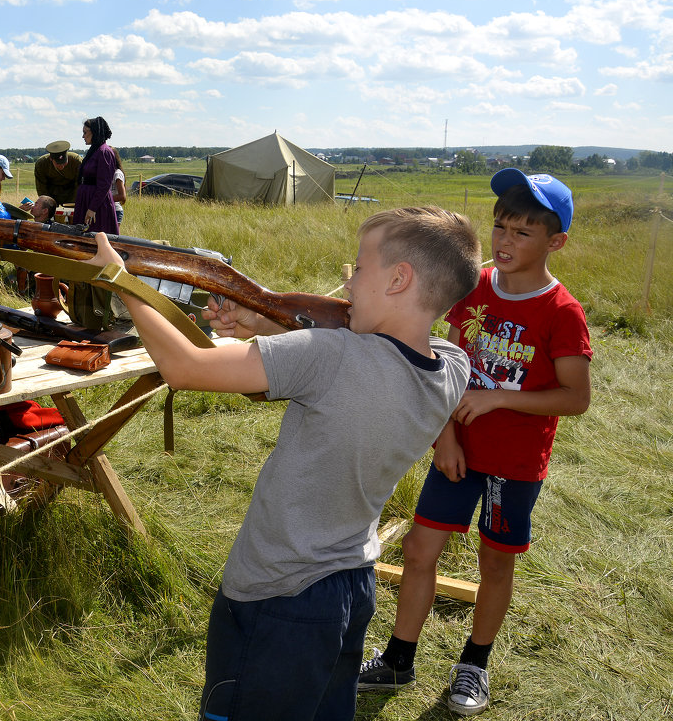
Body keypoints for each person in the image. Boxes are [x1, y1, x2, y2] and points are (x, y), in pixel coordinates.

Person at [87, 206, 481, 721]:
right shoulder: (452, 368)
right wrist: (259, 317)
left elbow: (184, 367)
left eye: (359, 269)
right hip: (351, 583)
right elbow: (376, 344)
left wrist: (121, 281)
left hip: (277, 595)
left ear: (398, 278)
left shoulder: (328, 356)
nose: (348, 285)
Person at [357, 171, 592, 716]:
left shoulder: (561, 312)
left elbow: (574, 397)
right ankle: (398, 659)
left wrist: (498, 400)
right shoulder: (475, 288)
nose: (506, 243)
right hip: (457, 453)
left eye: (524, 234)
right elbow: (444, 364)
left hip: (515, 464)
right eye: (501, 228)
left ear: (555, 242)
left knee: (495, 561)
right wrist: (446, 436)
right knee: (419, 550)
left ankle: (474, 666)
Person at [73, 117, 120, 235]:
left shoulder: (104, 152)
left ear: (94, 132)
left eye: (85, 133)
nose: (83, 136)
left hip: (97, 204)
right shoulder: (94, 151)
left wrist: (92, 208)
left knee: (97, 238)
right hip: (86, 198)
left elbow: (104, 184)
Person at [33, 139, 81, 207]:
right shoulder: (41, 164)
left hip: (72, 194)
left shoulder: (77, 161)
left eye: (64, 163)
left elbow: (80, 185)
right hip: (52, 194)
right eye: (58, 163)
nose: (62, 166)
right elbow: (41, 189)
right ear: (51, 159)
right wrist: (49, 205)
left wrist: (72, 203)